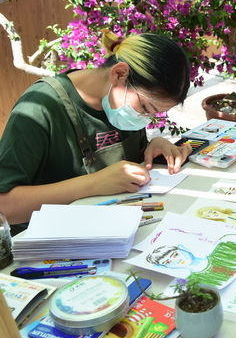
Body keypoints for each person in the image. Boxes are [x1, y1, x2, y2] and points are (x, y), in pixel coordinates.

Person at [0, 30, 193, 234]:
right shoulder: (40, 108)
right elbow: (6, 205)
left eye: (153, 115)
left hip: (115, 231)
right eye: (145, 109)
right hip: (47, 245)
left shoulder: (120, 103)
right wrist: (94, 184)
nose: (144, 119)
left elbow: (125, 169)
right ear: (119, 74)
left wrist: (152, 148)